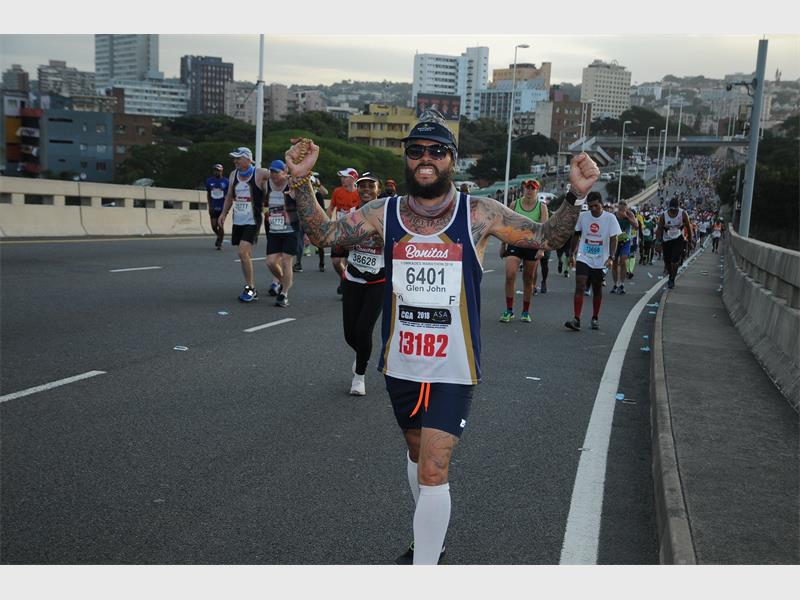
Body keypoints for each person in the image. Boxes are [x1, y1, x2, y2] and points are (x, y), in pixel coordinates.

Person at [284, 110, 600, 565]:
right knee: (417, 456)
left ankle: (426, 566)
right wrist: (300, 181)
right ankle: (429, 538)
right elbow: (325, 233)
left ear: (452, 158)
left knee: (434, 467)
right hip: (402, 362)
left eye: (437, 150)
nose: (426, 158)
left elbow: (545, 237)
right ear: (407, 158)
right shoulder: (384, 212)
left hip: (453, 366)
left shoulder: (479, 213)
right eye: (416, 150)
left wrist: (575, 195)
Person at [341, 172, 386, 396]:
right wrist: (349, 240)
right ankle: (362, 355)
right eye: (362, 185)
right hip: (352, 277)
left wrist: (384, 239)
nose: (366, 189)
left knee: (363, 329)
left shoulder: (388, 215)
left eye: (371, 185)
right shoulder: (350, 214)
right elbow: (339, 241)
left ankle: (359, 376)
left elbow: (401, 243)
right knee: (350, 334)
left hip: (378, 280)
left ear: (379, 189)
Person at [564, 191, 620, 331]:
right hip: (584, 256)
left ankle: (595, 318)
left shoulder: (610, 218)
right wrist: (572, 254)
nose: (593, 209)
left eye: (596, 206)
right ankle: (576, 319)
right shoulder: (583, 217)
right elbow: (576, 235)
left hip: (601, 259)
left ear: (601, 204)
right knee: (580, 285)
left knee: (597, 288)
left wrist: (611, 257)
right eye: (590, 206)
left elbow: (614, 238)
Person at [218, 147, 267, 302]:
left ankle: (251, 288)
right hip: (238, 219)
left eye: (238, 158)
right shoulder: (233, 174)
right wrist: (224, 213)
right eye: (234, 158)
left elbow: (279, 176)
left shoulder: (259, 173)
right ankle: (254, 284)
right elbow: (229, 196)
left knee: (242, 253)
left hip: (253, 219)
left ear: (248, 159)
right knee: (246, 255)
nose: (235, 161)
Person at [499, 179, 548, 323]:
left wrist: (541, 249)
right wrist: (503, 245)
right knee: (510, 274)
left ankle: (525, 312)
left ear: (537, 190)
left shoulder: (541, 207)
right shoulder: (515, 204)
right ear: (524, 189)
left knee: (528, 279)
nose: (529, 190)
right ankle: (509, 310)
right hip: (515, 243)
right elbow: (506, 226)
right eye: (527, 187)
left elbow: (544, 230)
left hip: (532, 246)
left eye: (533, 188)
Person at [263, 159, 298, 308]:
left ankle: (284, 294)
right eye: (271, 171)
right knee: (271, 262)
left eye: (276, 172)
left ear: (284, 172)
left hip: (291, 230)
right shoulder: (267, 184)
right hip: (274, 229)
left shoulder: (291, 184)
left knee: (286, 261)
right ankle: (285, 282)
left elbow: (301, 204)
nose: (273, 175)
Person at [328, 167, 361, 295]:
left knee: (349, 262)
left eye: (345, 177)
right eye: (342, 177)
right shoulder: (337, 191)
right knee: (336, 261)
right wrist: (327, 223)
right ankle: (344, 279)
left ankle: (347, 285)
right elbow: (331, 207)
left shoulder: (359, 193)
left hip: (353, 232)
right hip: (339, 230)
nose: (342, 179)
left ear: (353, 179)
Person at [655, 197, 694, 290]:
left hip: (678, 238)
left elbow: (689, 228)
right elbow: (659, 229)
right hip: (666, 240)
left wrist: (690, 241)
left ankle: (672, 279)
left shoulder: (683, 214)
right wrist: (658, 242)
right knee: (667, 261)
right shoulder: (663, 216)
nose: (673, 212)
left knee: (674, 261)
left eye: (675, 210)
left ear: (678, 208)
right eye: (671, 210)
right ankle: (670, 274)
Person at [610, 201, 637, 295]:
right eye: (620, 209)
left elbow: (636, 226)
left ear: (626, 209)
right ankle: (615, 284)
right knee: (614, 263)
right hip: (615, 241)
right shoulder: (614, 216)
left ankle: (621, 284)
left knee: (623, 260)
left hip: (626, 241)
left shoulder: (630, 214)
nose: (622, 211)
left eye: (624, 210)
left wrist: (627, 217)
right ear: (618, 208)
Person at [205, 163, 229, 250]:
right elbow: (208, 194)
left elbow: (229, 195)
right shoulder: (209, 181)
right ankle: (219, 236)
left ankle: (220, 242)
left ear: (221, 171)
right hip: (213, 206)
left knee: (220, 224)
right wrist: (210, 206)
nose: (216, 172)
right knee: (214, 226)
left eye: (218, 171)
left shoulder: (226, 181)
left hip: (223, 207)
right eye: (215, 170)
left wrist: (227, 207)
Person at [311, 174, 329, 271]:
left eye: (311, 182)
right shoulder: (303, 193)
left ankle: (322, 262)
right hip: (305, 218)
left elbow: (326, 192)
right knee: (299, 241)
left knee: (320, 243)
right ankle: (298, 263)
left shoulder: (317, 194)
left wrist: (319, 184)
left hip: (317, 220)